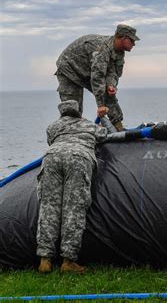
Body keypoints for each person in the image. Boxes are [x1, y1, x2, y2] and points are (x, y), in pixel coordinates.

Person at [36, 100, 107, 274]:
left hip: (51, 158)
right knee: (73, 209)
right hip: (78, 158)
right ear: (79, 112)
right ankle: (68, 261)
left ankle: (45, 260)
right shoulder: (89, 125)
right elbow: (104, 135)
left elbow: (50, 140)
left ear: (62, 113)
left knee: (48, 207)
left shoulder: (53, 127)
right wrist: (101, 117)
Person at [55, 24, 140, 131]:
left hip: (87, 69)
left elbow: (114, 73)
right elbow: (97, 77)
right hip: (69, 69)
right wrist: (100, 105)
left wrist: (111, 85)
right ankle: (71, 135)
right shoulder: (101, 49)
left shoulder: (119, 52)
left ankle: (118, 128)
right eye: (132, 41)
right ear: (123, 39)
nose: (134, 44)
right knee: (73, 109)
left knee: (108, 93)